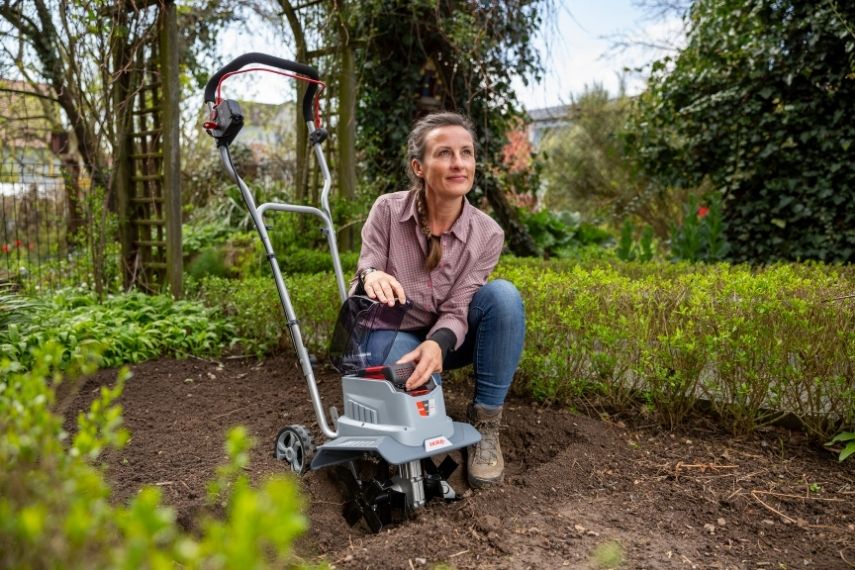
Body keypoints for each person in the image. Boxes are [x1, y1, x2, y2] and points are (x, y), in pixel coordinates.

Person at [353, 111, 525, 488]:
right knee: (403, 368)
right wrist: (371, 276)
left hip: (450, 341)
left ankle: (486, 424)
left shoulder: (488, 233)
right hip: (393, 333)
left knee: (504, 297)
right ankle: (424, 428)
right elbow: (365, 270)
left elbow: (461, 304)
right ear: (419, 166)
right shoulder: (387, 211)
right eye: (444, 153)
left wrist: (438, 344)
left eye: (466, 153)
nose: (459, 163)